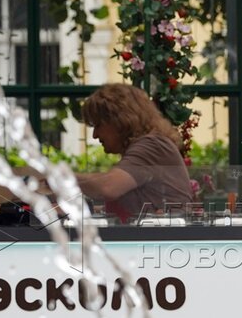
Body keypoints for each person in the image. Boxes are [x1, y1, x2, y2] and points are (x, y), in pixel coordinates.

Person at [76, 84, 192, 222]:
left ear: (119, 120)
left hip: (163, 235)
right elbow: (133, 207)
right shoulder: (149, 146)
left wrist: (60, 178)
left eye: (98, 125)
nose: (95, 135)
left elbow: (108, 187)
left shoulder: (152, 146)